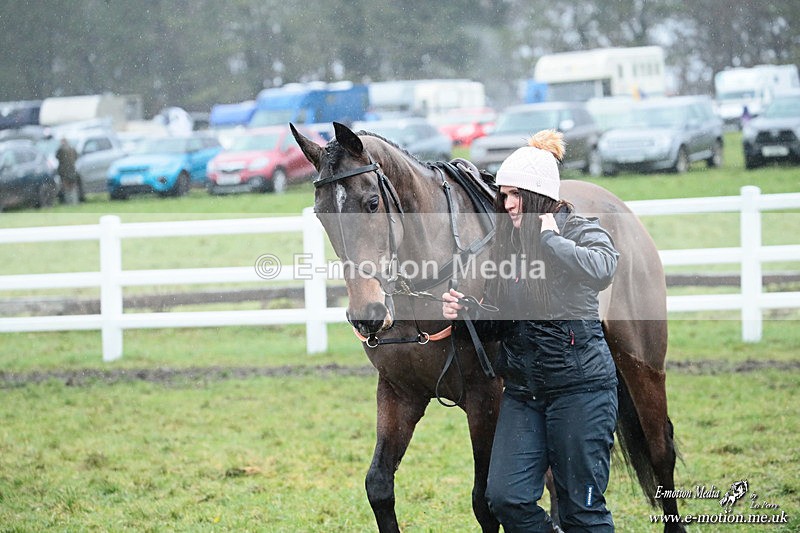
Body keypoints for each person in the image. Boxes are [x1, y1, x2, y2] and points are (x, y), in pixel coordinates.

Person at [442, 130, 620, 532]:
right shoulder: (509, 248)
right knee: (505, 497)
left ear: (537, 194)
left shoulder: (577, 230)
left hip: (582, 391)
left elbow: (604, 269)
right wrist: (467, 313)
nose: (507, 205)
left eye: (514, 195)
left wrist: (551, 241)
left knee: (582, 511)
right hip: (525, 393)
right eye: (503, 196)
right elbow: (504, 320)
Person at [55, 137, 80, 204]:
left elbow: (57, 157)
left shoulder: (61, 150)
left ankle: (69, 202)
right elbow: (76, 157)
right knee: (73, 187)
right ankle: (74, 202)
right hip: (72, 170)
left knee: (67, 187)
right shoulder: (72, 148)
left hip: (64, 171)